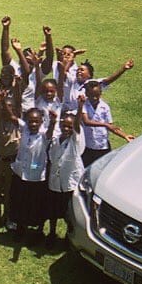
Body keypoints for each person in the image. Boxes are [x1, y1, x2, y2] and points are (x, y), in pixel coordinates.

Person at [46, 98, 87, 244]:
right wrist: (53, 121)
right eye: (64, 126)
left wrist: (80, 106)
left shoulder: (75, 141)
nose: (67, 129)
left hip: (69, 183)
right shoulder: (56, 140)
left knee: (70, 214)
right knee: (52, 211)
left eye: (69, 126)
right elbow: (48, 137)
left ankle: (69, 237)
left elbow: (76, 126)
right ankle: (51, 233)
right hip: (55, 182)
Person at [9, 104, 50, 240]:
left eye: (36, 121)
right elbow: (11, 117)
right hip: (21, 173)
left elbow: (50, 132)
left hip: (36, 177)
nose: (33, 124)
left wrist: (54, 121)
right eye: (30, 121)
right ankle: (20, 228)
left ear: (41, 122)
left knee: (35, 204)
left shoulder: (44, 134)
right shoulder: (25, 128)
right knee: (20, 202)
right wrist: (2, 101)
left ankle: (36, 231)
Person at [0, 78, 20, 230]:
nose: (8, 110)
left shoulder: (17, 122)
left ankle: (7, 217)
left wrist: (17, 87)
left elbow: (17, 105)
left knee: (9, 192)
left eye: (10, 107)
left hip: (12, 162)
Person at [79, 75, 135, 164]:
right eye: (92, 95)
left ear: (101, 93)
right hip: (87, 147)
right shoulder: (83, 105)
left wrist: (124, 135)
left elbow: (111, 127)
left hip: (102, 146)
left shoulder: (104, 107)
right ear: (86, 94)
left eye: (97, 95)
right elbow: (86, 122)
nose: (94, 98)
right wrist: (105, 124)